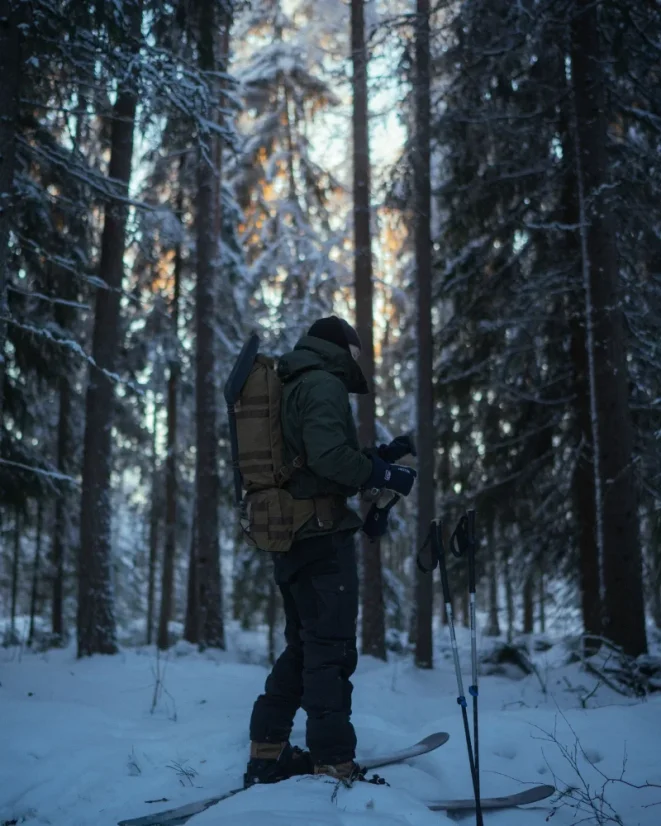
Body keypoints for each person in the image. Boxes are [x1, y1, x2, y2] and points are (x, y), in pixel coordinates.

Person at [245, 316, 417, 786]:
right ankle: (333, 760)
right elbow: (326, 458)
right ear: (339, 348)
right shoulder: (322, 382)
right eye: (355, 354)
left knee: (303, 650)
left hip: (293, 537)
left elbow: (310, 459)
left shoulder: (293, 381)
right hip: (320, 539)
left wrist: (377, 456)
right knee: (331, 653)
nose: (356, 363)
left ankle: (268, 753)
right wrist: (385, 476)